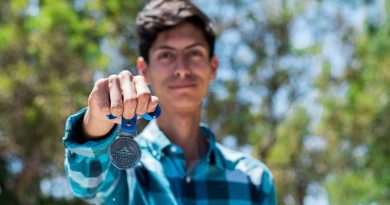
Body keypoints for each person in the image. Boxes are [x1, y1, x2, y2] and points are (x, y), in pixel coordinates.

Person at [63, 0, 276, 204]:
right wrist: (97, 121)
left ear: (212, 67)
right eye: (166, 55)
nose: (182, 69)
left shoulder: (255, 179)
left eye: (194, 53)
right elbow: (88, 183)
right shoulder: (123, 169)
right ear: (144, 69)